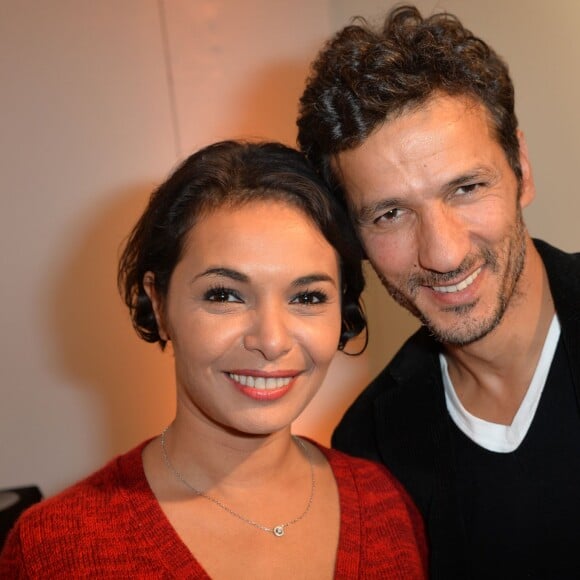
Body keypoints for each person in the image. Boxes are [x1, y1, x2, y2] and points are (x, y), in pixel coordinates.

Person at [0, 140, 427, 578]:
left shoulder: (387, 508)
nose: (272, 340)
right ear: (160, 305)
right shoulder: (54, 549)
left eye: (307, 296)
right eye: (224, 295)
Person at [297, 4, 580, 579]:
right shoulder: (368, 445)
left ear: (521, 169)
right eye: (391, 214)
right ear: (354, 236)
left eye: (466, 187)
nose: (443, 255)